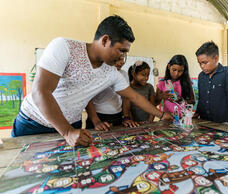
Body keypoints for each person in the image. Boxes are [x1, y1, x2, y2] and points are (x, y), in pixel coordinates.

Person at [12, 15, 172, 147]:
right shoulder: (64, 47)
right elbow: (41, 91)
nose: (122, 57)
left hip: (71, 125)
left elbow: (135, 97)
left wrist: (162, 114)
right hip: (33, 123)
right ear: (105, 40)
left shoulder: (112, 72)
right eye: (121, 51)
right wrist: (67, 132)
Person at [85, 58, 139, 130]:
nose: (122, 62)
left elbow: (126, 98)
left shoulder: (124, 74)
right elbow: (88, 98)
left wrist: (126, 117)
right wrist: (96, 121)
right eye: (118, 59)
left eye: (123, 59)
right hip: (97, 116)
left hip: (117, 116)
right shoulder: (95, 73)